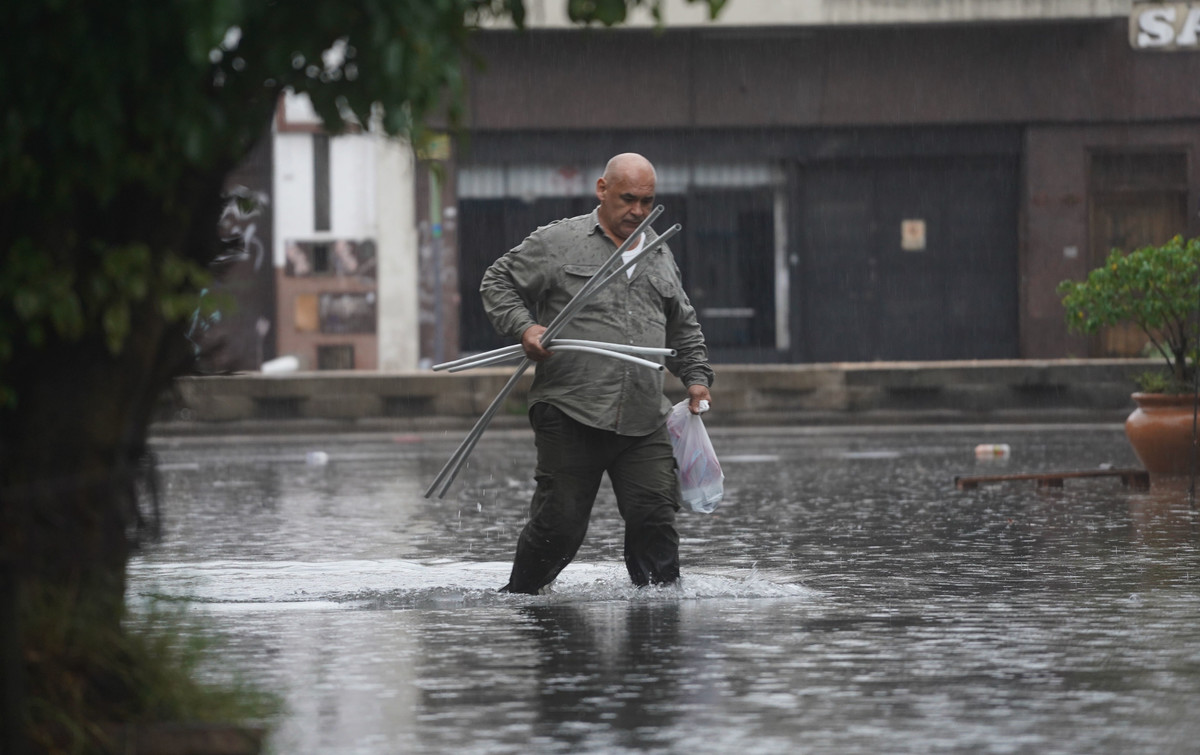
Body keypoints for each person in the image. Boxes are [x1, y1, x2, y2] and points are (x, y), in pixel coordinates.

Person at [480, 153, 714, 595]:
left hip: (644, 417)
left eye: (647, 201)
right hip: (571, 409)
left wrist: (696, 378)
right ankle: (522, 598)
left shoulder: (659, 250)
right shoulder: (558, 242)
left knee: (654, 514)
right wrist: (525, 327)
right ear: (602, 189)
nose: (639, 212)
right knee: (561, 522)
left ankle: (659, 613)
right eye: (628, 199)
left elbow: (682, 325)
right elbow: (497, 282)